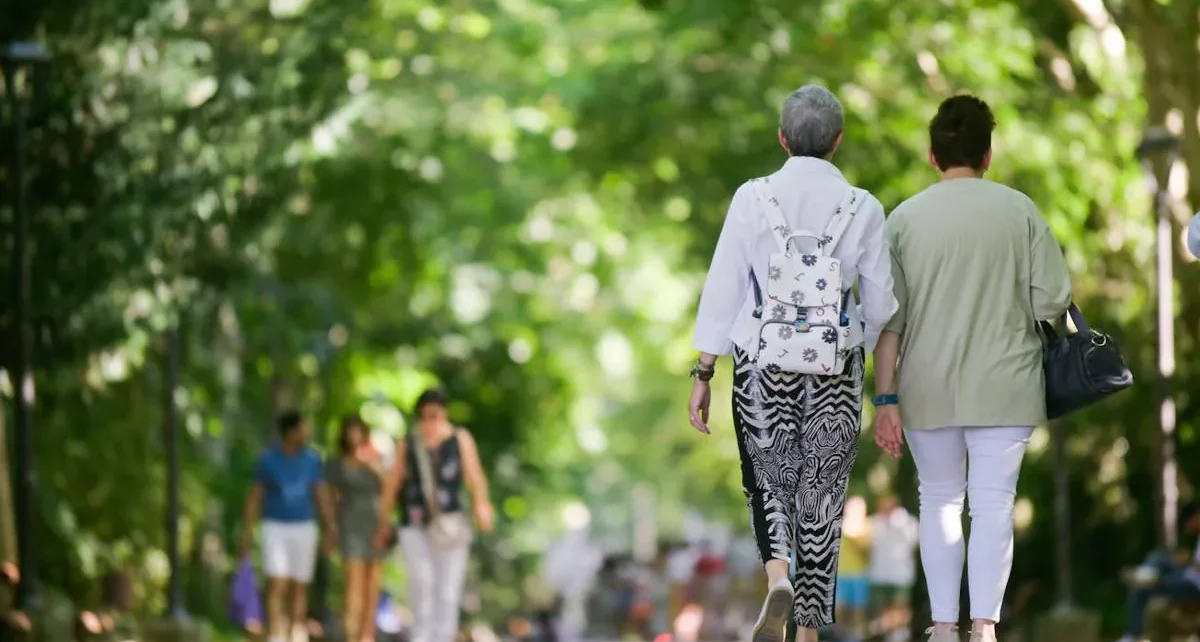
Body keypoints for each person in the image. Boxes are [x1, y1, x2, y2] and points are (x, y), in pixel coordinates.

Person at [688, 84, 896, 642]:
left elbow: (724, 288)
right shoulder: (865, 207)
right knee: (822, 495)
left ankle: (778, 575)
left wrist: (704, 372)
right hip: (836, 369)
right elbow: (879, 305)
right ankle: (807, 633)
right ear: (838, 142)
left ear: (782, 139)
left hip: (761, 363)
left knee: (768, 482)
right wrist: (850, 341)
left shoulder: (752, 198)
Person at [871, 94, 1072, 642]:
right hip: (1007, 384)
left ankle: (942, 627)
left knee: (938, 500)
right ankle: (983, 626)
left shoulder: (903, 220)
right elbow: (1051, 301)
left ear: (933, 157)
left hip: (925, 388)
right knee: (993, 505)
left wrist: (884, 401)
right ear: (988, 154)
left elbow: (887, 322)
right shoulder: (1020, 210)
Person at [376, 388, 496, 642]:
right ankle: (421, 636)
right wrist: (383, 519)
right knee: (421, 581)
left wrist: (482, 506)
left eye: (436, 415)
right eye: (426, 415)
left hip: (450, 524)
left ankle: (442, 637)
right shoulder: (408, 443)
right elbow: (392, 482)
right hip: (414, 521)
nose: (430, 421)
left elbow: (474, 476)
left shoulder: (460, 439)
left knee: (448, 589)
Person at [240, 410, 337, 642]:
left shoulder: (312, 460)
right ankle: (275, 632)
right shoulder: (268, 459)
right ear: (291, 431)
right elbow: (255, 496)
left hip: (304, 527)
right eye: (303, 427)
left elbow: (321, 494)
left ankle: (295, 631)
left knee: (299, 584)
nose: (307, 431)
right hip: (275, 527)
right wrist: (247, 531)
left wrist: (330, 527)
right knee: (276, 581)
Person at [327, 414, 388, 642]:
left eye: (358, 430)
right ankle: (351, 636)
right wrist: (331, 529)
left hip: (375, 526)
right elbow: (332, 498)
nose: (354, 435)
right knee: (353, 585)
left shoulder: (377, 458)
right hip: (350, 524)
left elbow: (389, 488)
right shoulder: (337, 463)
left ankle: (367, 636)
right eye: (349, 431)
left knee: (372, 587)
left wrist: (371, 464)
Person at [1116, 500, 1200, 642]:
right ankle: (1147, 574)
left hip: (1194, 587)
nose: (1186, 527)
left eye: (1188, 522)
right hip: (1187, 576)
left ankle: (1131, 636)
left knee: (1141, 588)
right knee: (1159, 556)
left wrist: (1188, 561)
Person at [868, 495, 919, 641]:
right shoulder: (877, 521)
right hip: (885, 573)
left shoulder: (908, 522)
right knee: (886, 609)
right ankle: (892, 636)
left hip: (898, 574)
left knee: (899, 608)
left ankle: (898, 636)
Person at [836, 496, 870, 642]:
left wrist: (856, 539)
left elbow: (868, 552)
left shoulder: (867, 527)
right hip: (841, 575)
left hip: (859, 576)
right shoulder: (838, 524)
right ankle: (839, 637)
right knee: (838, 611)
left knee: (857, 613)